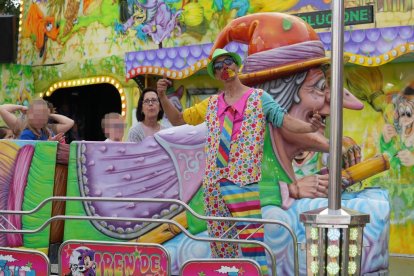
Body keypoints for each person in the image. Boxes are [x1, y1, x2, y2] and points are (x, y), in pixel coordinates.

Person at [157, 48, 322, 275]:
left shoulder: (259, 98)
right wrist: (163, 97)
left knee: (252, 243)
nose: (224, 69)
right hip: (214, 185)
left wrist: (309, 128)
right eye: (217, 66)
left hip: (242, 181)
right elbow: (177, 119)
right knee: (221, 249)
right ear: (215, 74)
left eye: (227, 63)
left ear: (236, 65)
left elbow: (284, 121)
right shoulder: (212, 104)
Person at [0, 100, 74, 141]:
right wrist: (21, 107)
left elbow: (70, 122)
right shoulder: (22, 128)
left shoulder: (48, 130)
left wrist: (49, 115)